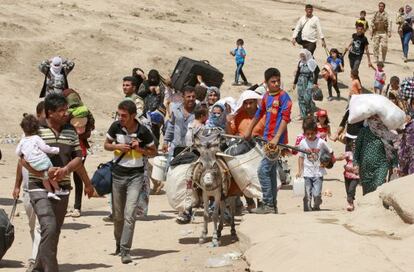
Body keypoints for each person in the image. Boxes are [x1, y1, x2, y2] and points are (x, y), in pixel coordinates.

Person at [20, 94, 93, 272]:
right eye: (61, 111)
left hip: (63, 188)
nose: (65, 113)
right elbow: (22, 159)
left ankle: (38, 265)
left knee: (53, 231)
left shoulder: (70, 131)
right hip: (38, 186)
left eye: (66, 109)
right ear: (49, 113)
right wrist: (42, 173)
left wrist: (66, 170)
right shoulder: (35, 130)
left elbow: (78, 158)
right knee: (48, 226)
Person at [104, 100, 156, 264]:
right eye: (119, 114)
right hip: (118, 175)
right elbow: (106, 145)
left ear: (133, 116)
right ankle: (119, 244)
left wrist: (139, 148)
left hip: (136, 176)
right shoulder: (115, 127)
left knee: (130, 214)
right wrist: (118, 146)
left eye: (124, 116)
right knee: (118, 216)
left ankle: (125, 250)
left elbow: (153, 152)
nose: (121, 118)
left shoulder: (143, 131)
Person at [245, 68, 292, 214]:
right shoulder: (266, 97)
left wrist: (277, 138)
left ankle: (267, 204)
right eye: (273, 82)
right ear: (266, 83)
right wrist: (249, 130)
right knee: (271, 172)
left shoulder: (284, 97)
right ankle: (273, 204)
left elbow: (285, 118)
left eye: (278, 81)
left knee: (262, 170)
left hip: (276, 143)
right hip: (267, 140)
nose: (276, 84)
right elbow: (259, 113)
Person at [12, 102, 45, 270]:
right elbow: (20, 163)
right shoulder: (25, 140)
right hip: (26, 189)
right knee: (32, 226)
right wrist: (17, 185)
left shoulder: (44, 139)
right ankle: (37, 255)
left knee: (40, 226)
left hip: (41, 188)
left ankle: (33, 259)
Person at [63, 88, 95, 218]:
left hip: (67, 149)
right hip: (81, 148)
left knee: (65, 179)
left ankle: (65, 207)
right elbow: (91, 127)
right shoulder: (86, 112)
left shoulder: (66, 114)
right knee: (78, 179)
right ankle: (77, 207)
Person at [16, 114, 62, 200]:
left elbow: (17, 152)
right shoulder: (36, 137)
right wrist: (56, 150)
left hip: (34, 165)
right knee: (51, 175)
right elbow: (45, 148)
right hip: (43, 162)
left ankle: (50, 192)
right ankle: (57, 189)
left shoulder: (22, 141)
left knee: (44, 177)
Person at [354, 115, 399, 195]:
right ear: (368, 119)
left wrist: (395, 164)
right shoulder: (363, 132)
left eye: (376, 118)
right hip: (365, 166)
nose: (374, 120)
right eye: (372, 118)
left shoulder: (384, 132)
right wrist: (355, 163)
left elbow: (391, 149)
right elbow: (357, 149)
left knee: (378, 186)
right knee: (367, 192)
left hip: (381, 165)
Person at [296, 116, 333, 211]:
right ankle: (307, 208)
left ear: (316, 132)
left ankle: (317, 204)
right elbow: (300, 157)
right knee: (307, 193)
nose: (309, 136)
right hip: (307, 173)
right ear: (304, 133)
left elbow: (330, 152)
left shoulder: (321, 142)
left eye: (312, 134)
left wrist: (326, 162)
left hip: (318, 173)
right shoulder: (303, 143)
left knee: (316, 194)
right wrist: (300, 171)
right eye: (307, 134)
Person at [293, 49, 320, 120]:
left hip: (309, 81)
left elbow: (317, 72)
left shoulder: (311, 62)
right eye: (301, 55)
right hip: (301, 81)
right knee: (301, 98)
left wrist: (315, 83)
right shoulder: (300, 62)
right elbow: (298, 73)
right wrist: (294, 83)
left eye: (303, 55)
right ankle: (303, 115)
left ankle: (310, 110)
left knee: (307, 97)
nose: (302, 57)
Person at [336, 141, 360, 212]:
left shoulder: (361, 155)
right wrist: (334, 158)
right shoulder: (349, 153)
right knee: (348, 190)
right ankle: (351, 203)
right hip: (347, 175)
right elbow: (342, 157)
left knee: (351, 189)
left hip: (356, 176)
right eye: (353, 145)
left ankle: (350, 202)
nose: (354, 147)